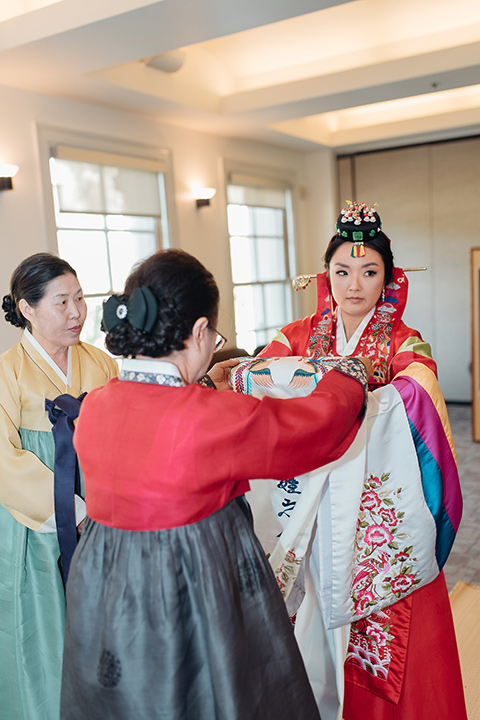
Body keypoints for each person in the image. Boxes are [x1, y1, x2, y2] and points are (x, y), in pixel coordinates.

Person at [60, 248, 371, 720]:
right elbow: (315, 428)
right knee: (213, 695)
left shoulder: (96, 405)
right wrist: (346, 380)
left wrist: (207, 385)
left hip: (103, 581)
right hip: (191, 572)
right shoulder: (209, 419)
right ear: (201, 331)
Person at [256, 201, 467, 719]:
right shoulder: (296, 335)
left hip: (374, 504)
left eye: (369, 272)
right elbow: (263, 381)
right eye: (342, 271)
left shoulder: (403, 341)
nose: (355, 284)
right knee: (307, 601)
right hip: (309, 499)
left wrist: (350, 399)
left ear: (387, 278)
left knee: (376, 614)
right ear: (325, 276)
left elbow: (417, 392)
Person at [0, 253, 119, 720]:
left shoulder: (101, 363)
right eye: (61, 302)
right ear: (26, 309)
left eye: (80, 299)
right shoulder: (7, 373)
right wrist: (70, 511)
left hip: (104, 514)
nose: (76, 313)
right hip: (35, 524)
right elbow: (4, 458)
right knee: (44, 629)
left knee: (105, 624)